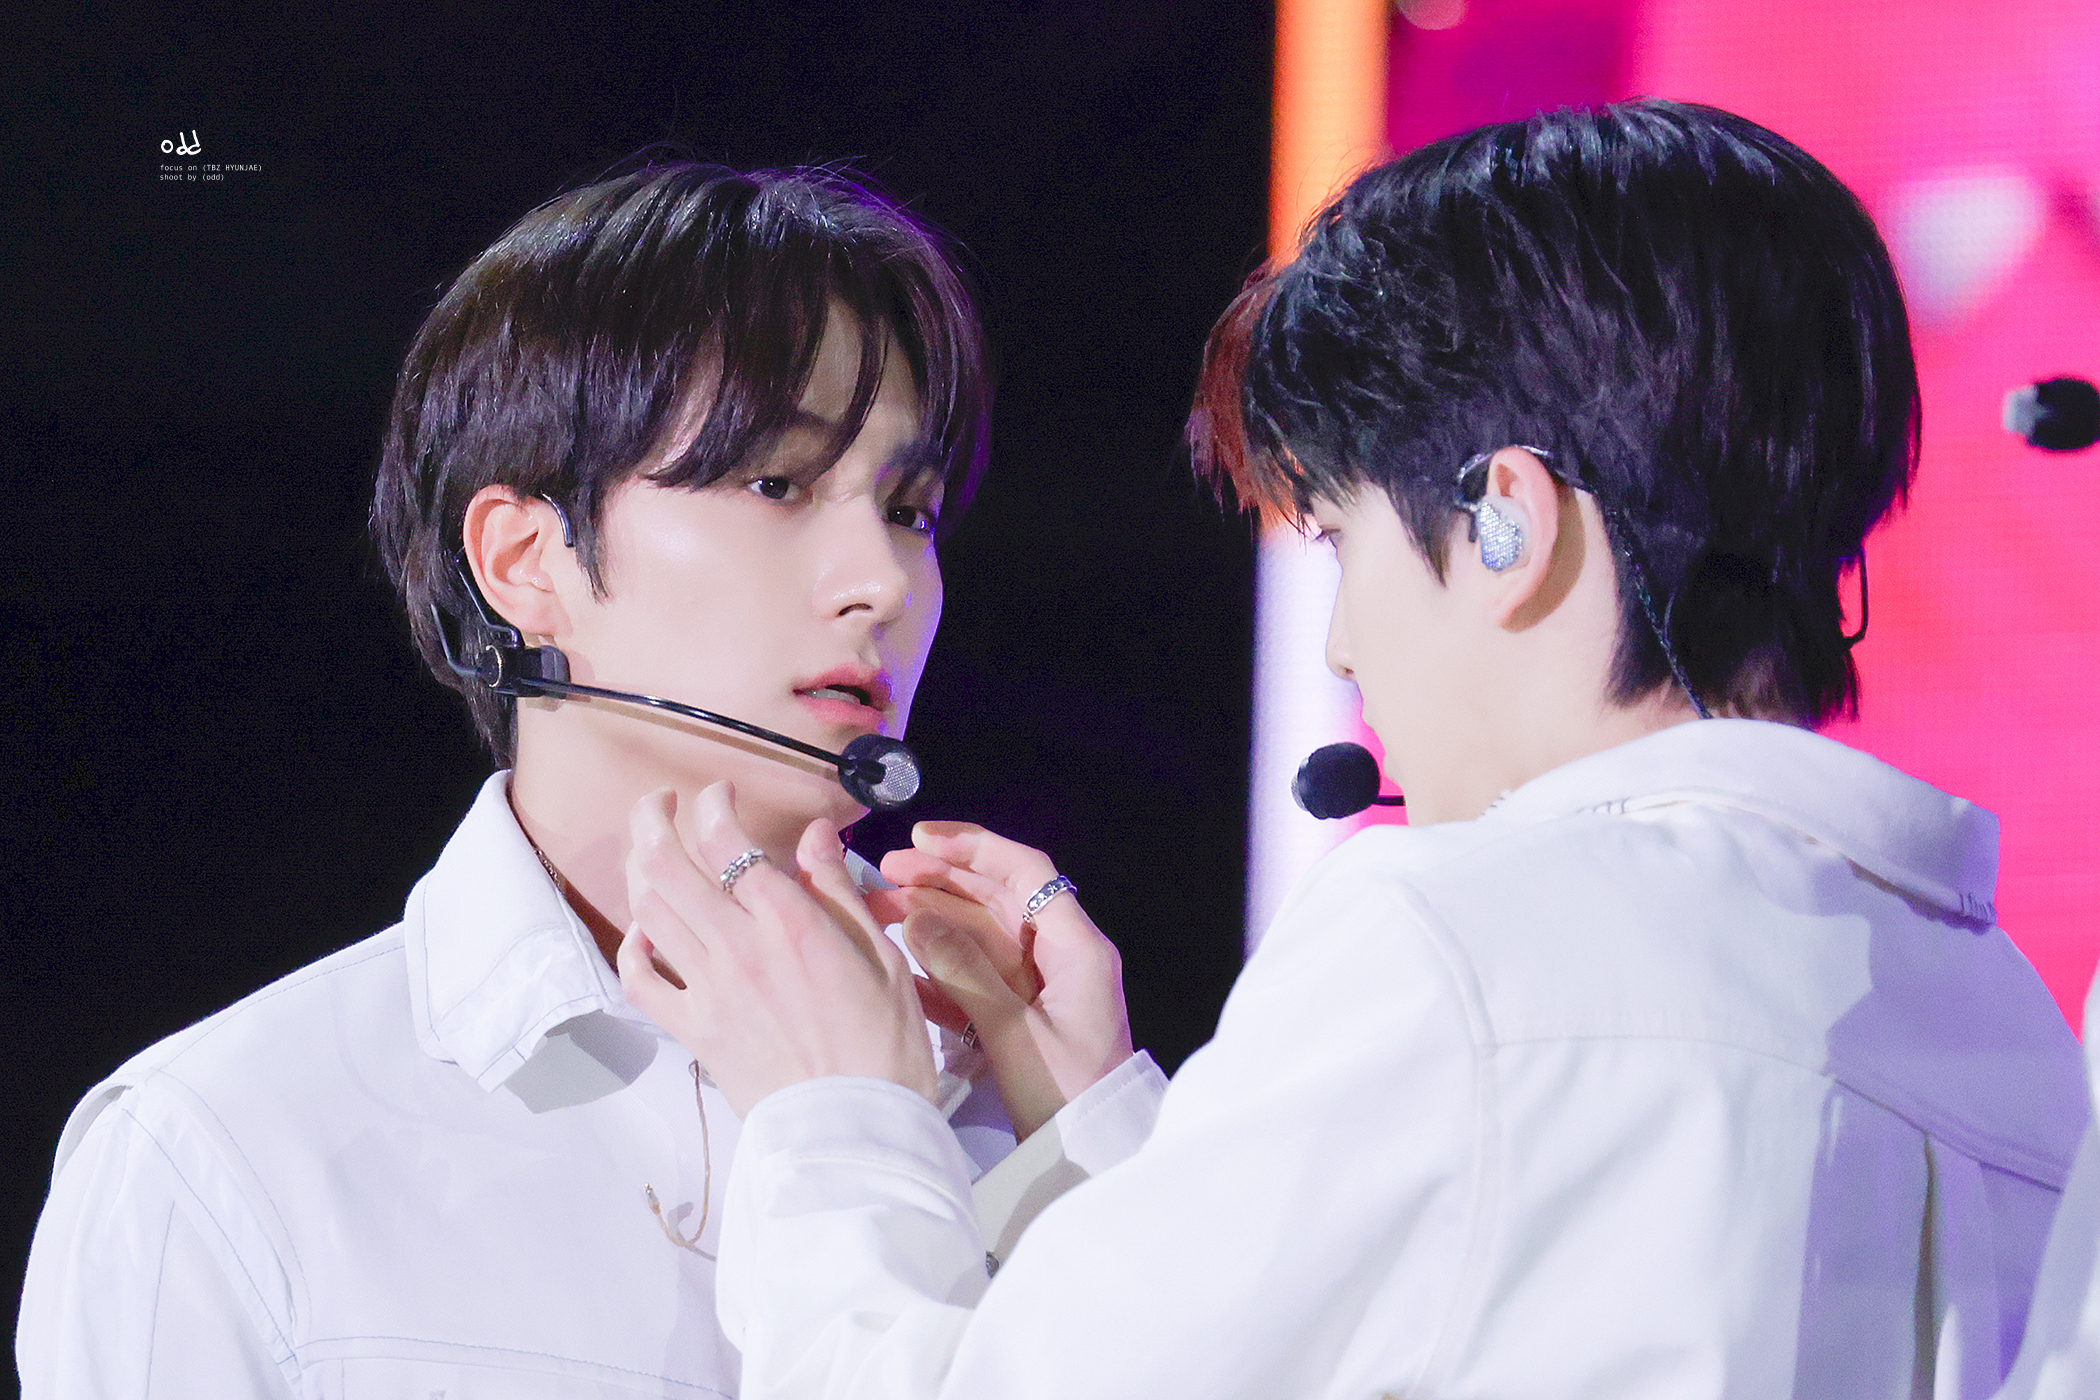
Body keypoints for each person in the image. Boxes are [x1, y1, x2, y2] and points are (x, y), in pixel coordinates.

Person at [615, 100, 2093, 1399]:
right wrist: (1099, 1127)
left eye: (1339, 540)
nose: (1340, 649)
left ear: (1509, 522)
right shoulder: (2014, 1032)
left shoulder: (1459, 947)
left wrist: (836, 1109)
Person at [17, 162, 1102, 1396]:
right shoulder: (231, 1145)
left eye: (909, 508)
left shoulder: (1024, 1094)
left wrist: (1093, 1141)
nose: (884, 581)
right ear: (525, 560)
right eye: (777, 483)